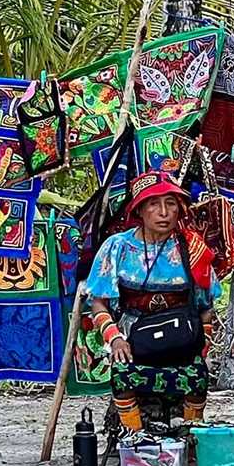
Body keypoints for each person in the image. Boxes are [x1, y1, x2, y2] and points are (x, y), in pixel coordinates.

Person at [85, 170, 223, 433]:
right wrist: (115, 338)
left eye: (170, 204)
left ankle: (190, 438)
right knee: (123, 373)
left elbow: (206, 307)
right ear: (139, 210)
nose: (163, 212)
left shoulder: (192, 249)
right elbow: (98, 302)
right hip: (134, 337)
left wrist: (201, 346)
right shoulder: (117, 247)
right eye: (154, 204)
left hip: (182, 338)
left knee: (197, 375)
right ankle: (132, 438)